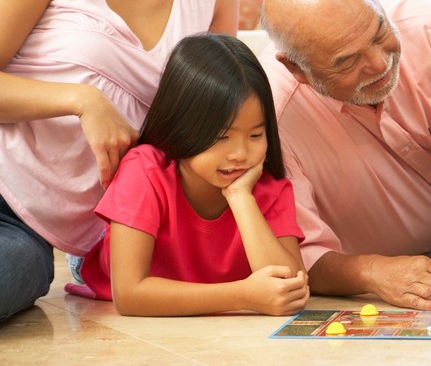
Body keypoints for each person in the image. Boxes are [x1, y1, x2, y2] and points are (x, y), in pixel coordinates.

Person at [0, 0, 238, 322]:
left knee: (15, 274)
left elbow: (219, 125)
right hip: (4, 186)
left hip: (64, 235)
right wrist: (83, 100)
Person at [258, 0, 431, 312]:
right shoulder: (270, 114)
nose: (378, 64)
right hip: (362, 279)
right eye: (348, 61)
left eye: (379, 33)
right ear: (297, 69)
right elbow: (295, 256)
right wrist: (370, 272)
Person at [64, 34, 308, 316]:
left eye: (255, 135)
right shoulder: (144, 171)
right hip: (112, 274)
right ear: (182, 127)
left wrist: (240, 198)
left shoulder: (269, 188)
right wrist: (242, 295)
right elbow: (130, 295)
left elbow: (288, 288)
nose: (240, 153)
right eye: (221, 137)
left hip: (195, 278)